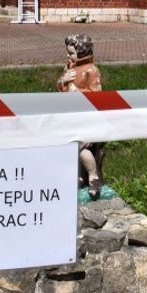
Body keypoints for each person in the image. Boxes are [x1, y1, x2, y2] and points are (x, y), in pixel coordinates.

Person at [56, 34, 105, 199]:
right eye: (68, 53)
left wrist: (77, 92)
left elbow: (97, 95)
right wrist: (62, 81)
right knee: (68, 146)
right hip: (71, 116)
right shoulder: (69, 69)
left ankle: (93, 176)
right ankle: (79, 176)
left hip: (87, 118)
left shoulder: (91, 70)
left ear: (82, 53)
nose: (68, 56)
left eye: (71, 53)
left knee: (80, 147)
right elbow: (61, 91)